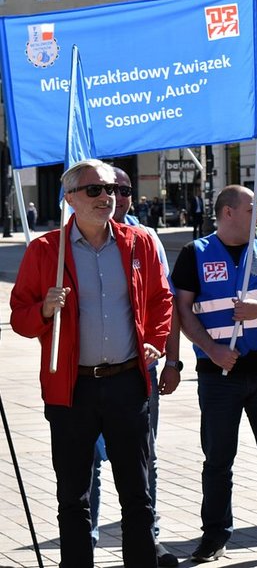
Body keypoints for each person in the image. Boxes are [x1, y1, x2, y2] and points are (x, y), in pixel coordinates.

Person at [10, 159, 172, 568]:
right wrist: (44, 311)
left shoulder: (139, 242)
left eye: (111, 190)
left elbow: (160, 300)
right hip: (71, 389)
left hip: (127, 384)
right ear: (70, 199)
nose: (108, 197)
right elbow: (19, 318)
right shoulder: (45, 250)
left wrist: (154, 342)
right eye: (95, 190)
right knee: (74, 497)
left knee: (137, 493)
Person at [172, 184, 257, 563]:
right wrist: (212, 349)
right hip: (218, 373)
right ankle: (214, 536)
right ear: (228, 213)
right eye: (250, 210)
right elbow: (182, 310)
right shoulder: (195, 253)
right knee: (218, 459)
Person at [89, 167, 182, 567]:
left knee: (144, 457)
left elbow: (167, 302)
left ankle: (148, 539)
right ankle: (85, 539)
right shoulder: (64, 244)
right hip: (84, 378)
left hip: (138, 372)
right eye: (108, 190)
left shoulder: (146, 239)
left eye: (123, 190)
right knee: (88, 460)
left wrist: (169, 357)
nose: (118, 196)